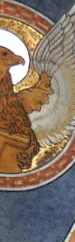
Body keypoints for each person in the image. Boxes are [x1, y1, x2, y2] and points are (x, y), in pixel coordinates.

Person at [0, 44, 48, 175]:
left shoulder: (12, 102)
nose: (17, 58)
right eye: (5, 55)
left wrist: (28, 150)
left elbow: (28, 134)